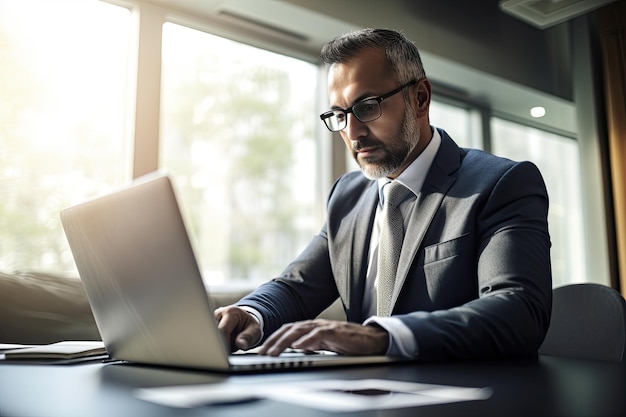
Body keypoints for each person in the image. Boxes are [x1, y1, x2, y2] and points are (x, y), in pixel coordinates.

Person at [215, 28, 552, 362]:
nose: (352, 131)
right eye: (339, 114)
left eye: (367, 106)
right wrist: (251, 313)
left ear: (420, 98)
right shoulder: (347, 196)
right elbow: (297, 287)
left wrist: (384, 337)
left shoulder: (501, 182)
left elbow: (519, 310)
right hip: (358, 394)